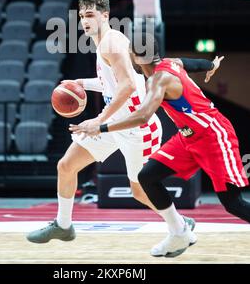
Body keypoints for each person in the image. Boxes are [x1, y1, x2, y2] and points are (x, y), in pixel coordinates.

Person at [27, 0, 222, 250]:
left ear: (104, 15)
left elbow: (128, 86)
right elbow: (113, 86)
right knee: (66, 166)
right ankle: (63, 226)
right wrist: (80, 84)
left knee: (140, 190)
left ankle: (179, 224)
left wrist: (99, 120)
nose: (84, 21)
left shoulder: (111, 42)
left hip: (138, 127)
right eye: (81, 16)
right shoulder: (103, 43)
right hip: (115, 122)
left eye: (90, 15)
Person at [70, 35, 249, 258]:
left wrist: (101, 127)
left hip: (213, 135)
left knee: (233, 203)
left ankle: (180, 231)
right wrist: (211, 65)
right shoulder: (169, 62)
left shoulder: (158, 79)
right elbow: (191, 63)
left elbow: (143, 116)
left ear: (133, 56)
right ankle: (179, 232)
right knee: (147, 176)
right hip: (188, 137)